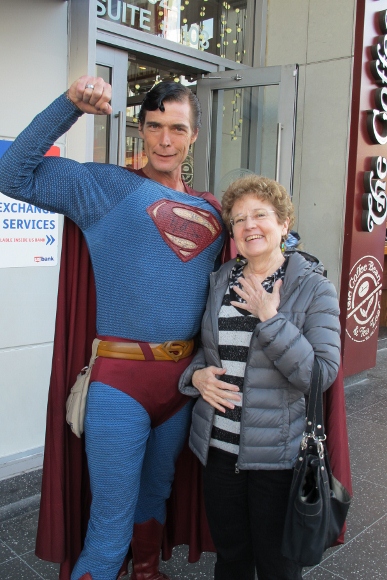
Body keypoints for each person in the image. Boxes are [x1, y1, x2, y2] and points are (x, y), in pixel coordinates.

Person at [0, 76, 226, 580]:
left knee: (155, 494)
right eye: (154, 127)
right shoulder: (104, 187)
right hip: (119, 387)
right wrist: (69, 106)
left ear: (194, 135)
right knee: (109, 525)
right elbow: (11, 173)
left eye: (176, 128)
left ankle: (145, 571)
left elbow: (260, 245)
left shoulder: (215, 210)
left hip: (182, 386)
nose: (164, 139)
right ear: (140, 131)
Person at [179, 175, 341, 580]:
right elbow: (208, 348)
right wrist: (196, 375)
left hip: (278, 457)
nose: (249, 225)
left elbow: (320, 373)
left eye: (260, 215)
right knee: (231, 560)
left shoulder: (313, 288)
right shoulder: (221, 281)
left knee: (277, 566)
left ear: (284, 223)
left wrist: (270, 318)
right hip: (219, 450)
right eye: (238, 219)